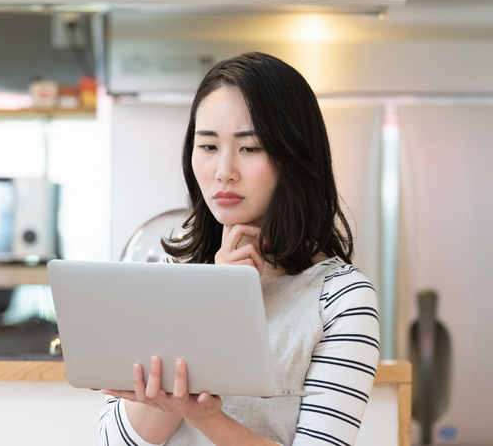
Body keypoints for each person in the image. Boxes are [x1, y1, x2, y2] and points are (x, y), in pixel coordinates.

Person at [98, 52, 380, 446]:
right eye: (209, 146)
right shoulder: (169, 274)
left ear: (294, 157)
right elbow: (116, 440)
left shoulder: (340, 299)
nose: (223, 170)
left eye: (250, 148)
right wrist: (211, 299)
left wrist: (207, 419)